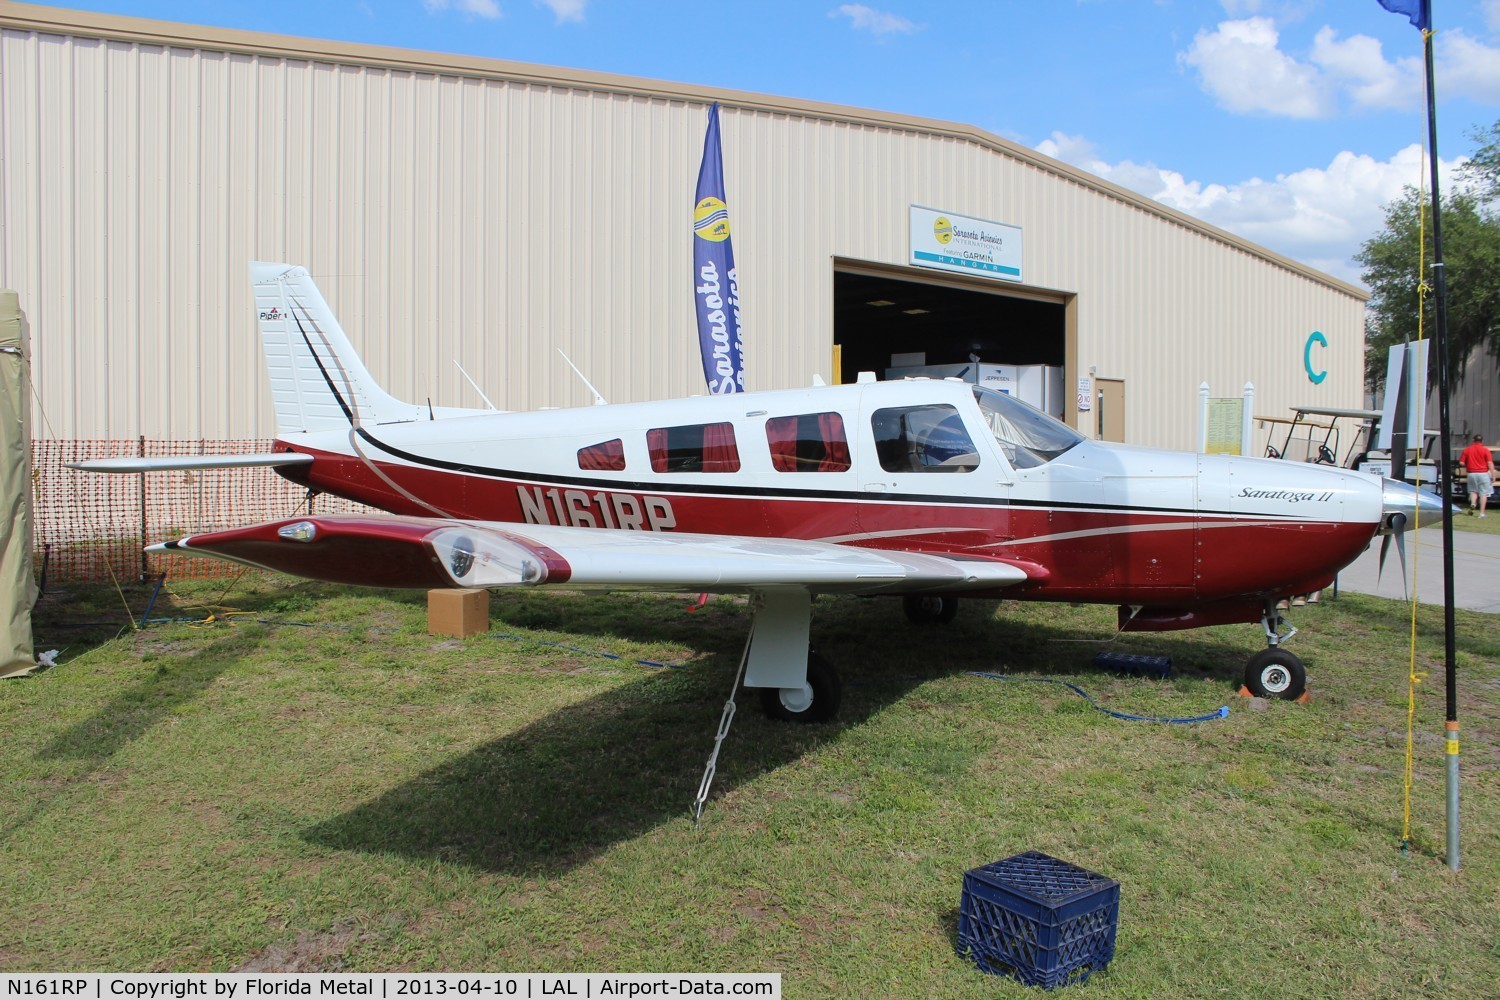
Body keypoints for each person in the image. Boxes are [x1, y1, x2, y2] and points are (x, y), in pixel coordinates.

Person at [1458, 433, 1496, 517]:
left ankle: (1473, 503)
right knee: (1483, 493)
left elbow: (1461, 462)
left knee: (1473, 491)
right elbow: (1490, 463)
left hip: (1471, 473)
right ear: (1482, 441)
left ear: (1473, 440)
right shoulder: (1485, 450)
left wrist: (1468, 464)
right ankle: (1482, 513)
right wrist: (1493, 475)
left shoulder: (1467, 450)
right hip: (1483, 473)